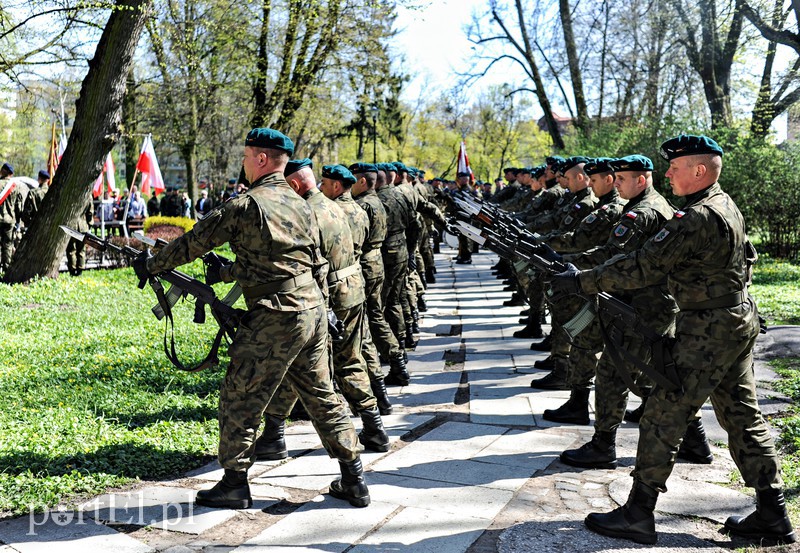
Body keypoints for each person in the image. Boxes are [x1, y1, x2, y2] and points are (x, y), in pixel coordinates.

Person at [549, 135, 795, 546]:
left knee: (663, 412)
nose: (667, 174)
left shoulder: (697, 217)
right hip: (734, 320)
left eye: (675, 167)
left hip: (708, 330)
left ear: (699, 170)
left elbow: (643, 266)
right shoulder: (724, 203)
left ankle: (638, 513)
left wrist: (581, 281)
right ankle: (773, 513)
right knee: (741, 415)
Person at [134, 128, 370, 510]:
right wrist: (323, 309)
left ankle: (234, 484)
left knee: (240, 395)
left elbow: (193, 242)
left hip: (277, 316)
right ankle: (354, 477)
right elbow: (307, 262)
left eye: (246, 157)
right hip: (312, 312)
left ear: (261, 159)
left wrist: (152, 264)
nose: (243, 164)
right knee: (322, 394)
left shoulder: (246, 205)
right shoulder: (302, 205)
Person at [255, 159, 389, 460]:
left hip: (327, 297)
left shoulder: (307, 212)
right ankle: (374, 426)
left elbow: (309, 264)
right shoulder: (336, 206)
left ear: (294, 185)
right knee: (350, 360)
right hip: (352, 289)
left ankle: (274, 434)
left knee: (300, 364)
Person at [0, 162, 23, 272]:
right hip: (10, 220)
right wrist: (18, 221)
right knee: (8, 245)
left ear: (3, 171)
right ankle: (6, 269)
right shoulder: (16, 186)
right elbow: (19, 206)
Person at [66, 191, 94, 276]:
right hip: (83, 226)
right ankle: (80, 270)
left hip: (71, 225)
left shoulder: (69, 194)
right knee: (81, 249)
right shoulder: (88, 195)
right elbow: (90, 212)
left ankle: (72, 270)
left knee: (71, 249)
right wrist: (89, 224)